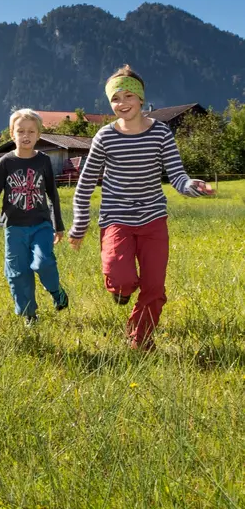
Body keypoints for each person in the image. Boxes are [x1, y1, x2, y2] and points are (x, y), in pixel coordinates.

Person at [68, 65, 214, 350]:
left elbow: (177, 175)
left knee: (154, 288)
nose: (122, 104)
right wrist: (79, 225)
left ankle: (140, 339)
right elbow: (84, 185)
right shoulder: (105, 137)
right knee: (120, 276)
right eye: (115, 99)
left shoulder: (160, 133)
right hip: (116, 219)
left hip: (153, 219)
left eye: (128, 96)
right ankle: (120, 290)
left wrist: (192, 186)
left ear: (141, 98)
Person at [0, 109, 68, 325]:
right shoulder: (6, 162)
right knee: (17, 272)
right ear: (12, 134)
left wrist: (58, 225)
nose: (26, 135)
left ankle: (56, 291)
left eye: (31, 131)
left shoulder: (44, 161)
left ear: (38, 134)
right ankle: (29, 315)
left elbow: (52, 194)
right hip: (14, 227)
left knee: (43, 263)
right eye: (20, 131)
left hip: (41, 225)